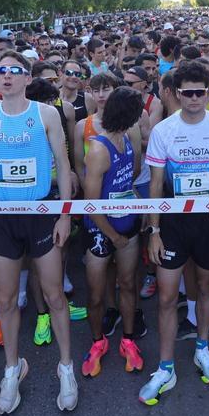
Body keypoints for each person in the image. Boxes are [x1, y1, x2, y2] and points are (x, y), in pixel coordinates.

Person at [138, 61, 209, 405]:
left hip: (208, 222)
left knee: (205, 287)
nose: (194, 99)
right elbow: (157, 184)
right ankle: (165, 366)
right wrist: (154, 230)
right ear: (175, 93)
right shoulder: (163, 131)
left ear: (208, 91)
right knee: (167, 297)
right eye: (186, 93)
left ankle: (203, 348)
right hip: (172, 224)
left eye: (200, 92)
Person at [0, 51, 76, 415]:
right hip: (2, 217)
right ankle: (12, 367)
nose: (5, 77)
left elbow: (64, 167)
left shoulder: (46, 114)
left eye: (14, 71)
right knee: (6, 301)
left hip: (41, 214)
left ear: (27, 78)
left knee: (54, 296)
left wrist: (64, 216)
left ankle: (66, 367)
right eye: (0, 71)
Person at [79, 87, 147, 377]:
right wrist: (114, 236)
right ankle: (98, 343)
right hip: (100, 230)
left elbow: (127, 181)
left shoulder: (128, 138)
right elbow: (91, 205)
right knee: (95, 295)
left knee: (128, 284)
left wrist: (140, 209)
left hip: (127, 222)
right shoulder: (98, 149)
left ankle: (128, 340)